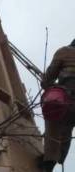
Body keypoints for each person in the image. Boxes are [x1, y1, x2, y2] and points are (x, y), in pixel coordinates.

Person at [40, 39, 75, 172]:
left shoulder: (64, 52)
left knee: (53, 122)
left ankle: (49, 162)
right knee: (67, 128)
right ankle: (60, 156)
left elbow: (49, 78)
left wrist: (46, 84)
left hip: (66, 101)